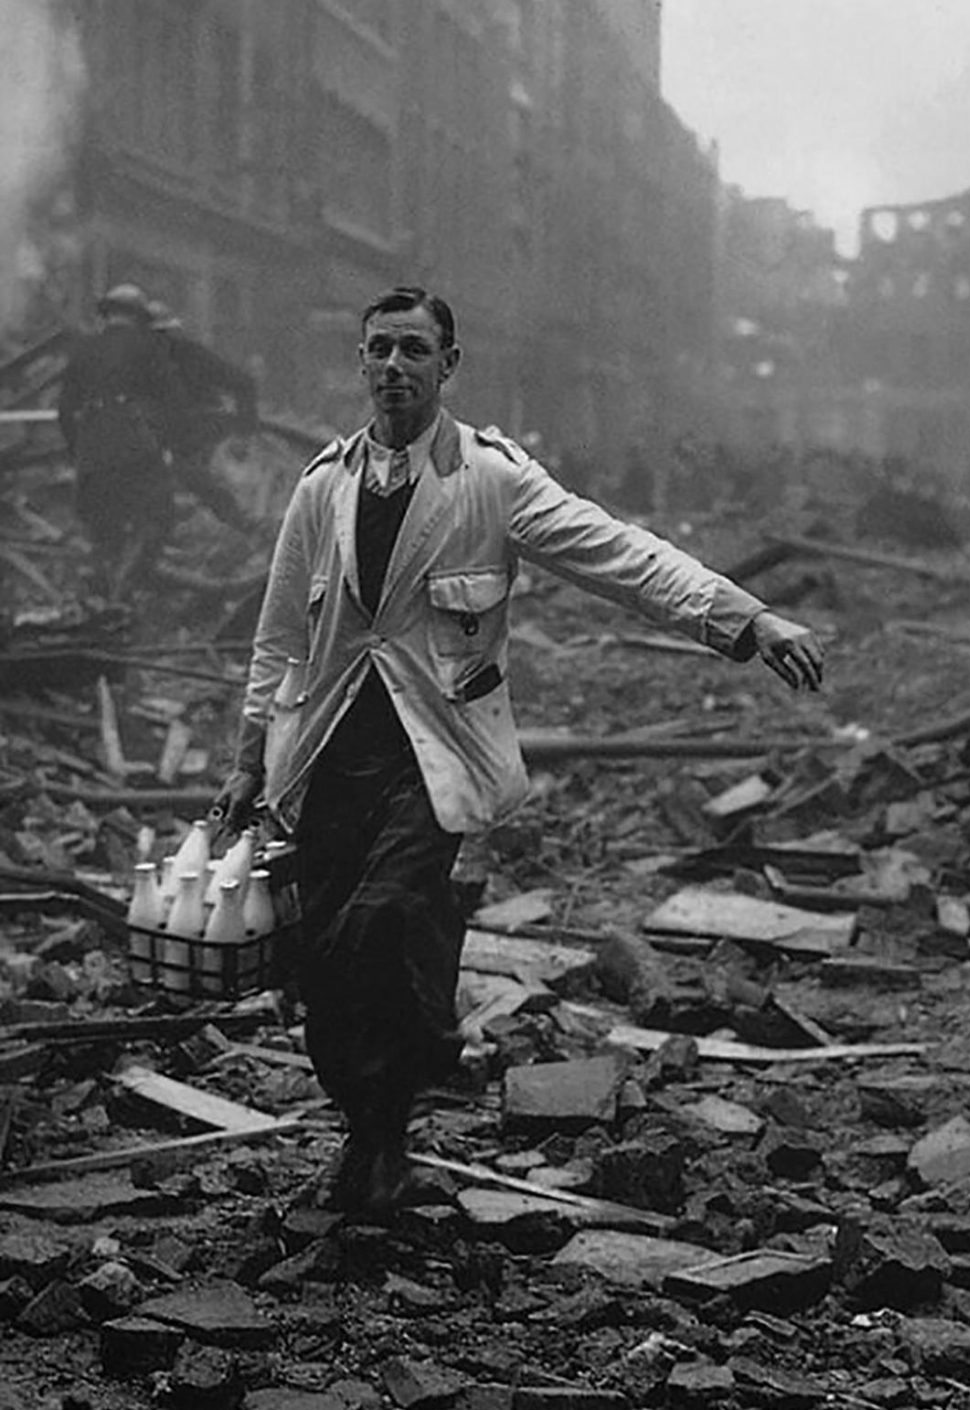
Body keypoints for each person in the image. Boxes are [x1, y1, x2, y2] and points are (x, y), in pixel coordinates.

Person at [214, 285, 825, 1223]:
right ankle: (371, 1136)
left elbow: (619, 555)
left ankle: (396, 1113)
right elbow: (277, 639)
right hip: (329, 752)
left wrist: (745, 618)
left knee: (387, 921)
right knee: (328, 965)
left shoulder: (489, 481)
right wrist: (248, 758)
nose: (393, 369)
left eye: (415, 351)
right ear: (359, 361)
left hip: (435, 754)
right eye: (379, 350)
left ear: (448, 367)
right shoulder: (321, 488)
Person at [57, 284, 184, 596]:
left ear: (107, 313)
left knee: (101, 529)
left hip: (93, 452)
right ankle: (127, 586)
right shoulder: (149, 346)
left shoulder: (84, 348)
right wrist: (165, 444)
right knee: (159, 515)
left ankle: (101, 596)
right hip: (135, 448)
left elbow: (64, 410)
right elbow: (173, 401)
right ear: (139, 315)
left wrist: (79, 451)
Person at [147, 300, 259, 536]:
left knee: (190, 473)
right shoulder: (137, 364)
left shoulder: (191, 356)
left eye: (159, 336)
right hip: (157, 435)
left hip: (197, 431)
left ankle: (237, 520)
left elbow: (243, 383)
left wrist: (244, 433)